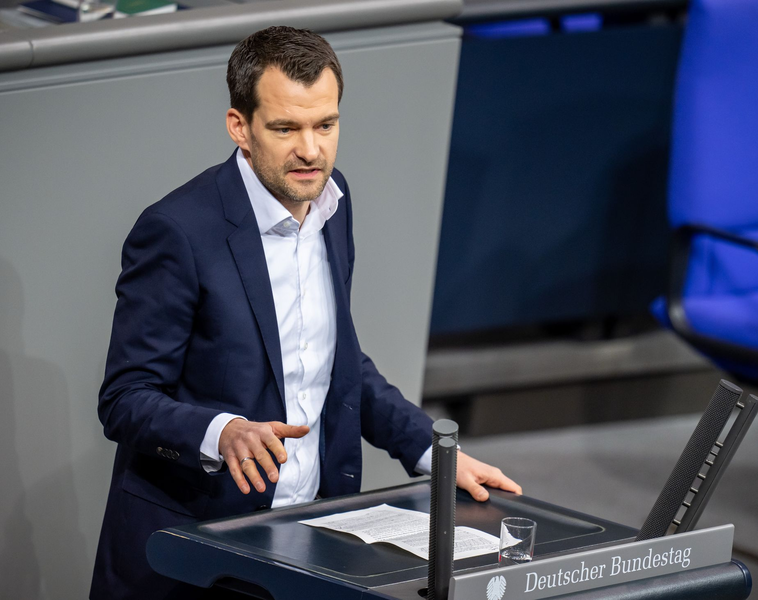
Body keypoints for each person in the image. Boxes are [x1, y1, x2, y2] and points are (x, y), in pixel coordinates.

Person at [90, 26, 522, 599]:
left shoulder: (333, 202)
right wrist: (222, 433)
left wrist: (433, 455)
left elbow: (338, 362)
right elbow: (125, 398)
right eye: (286, 128)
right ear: (239, 127)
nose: (311, 150)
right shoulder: (177, 232)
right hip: (196, 552)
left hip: (310, 537)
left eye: (326, 125)